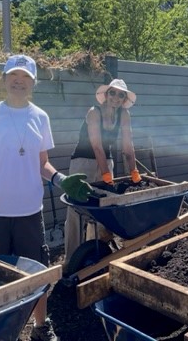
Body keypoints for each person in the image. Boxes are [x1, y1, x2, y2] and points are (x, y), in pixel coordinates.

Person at [0, 54, 88, 341]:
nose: (19, 81)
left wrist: (61, 179)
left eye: (25, 77)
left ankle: (41, 327)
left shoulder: (40, 117)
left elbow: (42, 162)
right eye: (13, 76)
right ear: (4, 80)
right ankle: (1, 333)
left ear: (33, 82)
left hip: (30, 212)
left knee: (37, 274)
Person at [64, 78, 141, 267]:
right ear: (106, 95)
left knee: (102, 209)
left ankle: (95, 254)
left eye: (121, 94)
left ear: (124, 99)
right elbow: (97, 146)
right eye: (113, 93)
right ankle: (71, 260)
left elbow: (127, 145)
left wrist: (134, 172)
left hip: (106, 162)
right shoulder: (94, 112)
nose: (116, 97)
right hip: (83, 163)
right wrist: (107, 176)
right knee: (76, 210)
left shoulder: (124, 114)